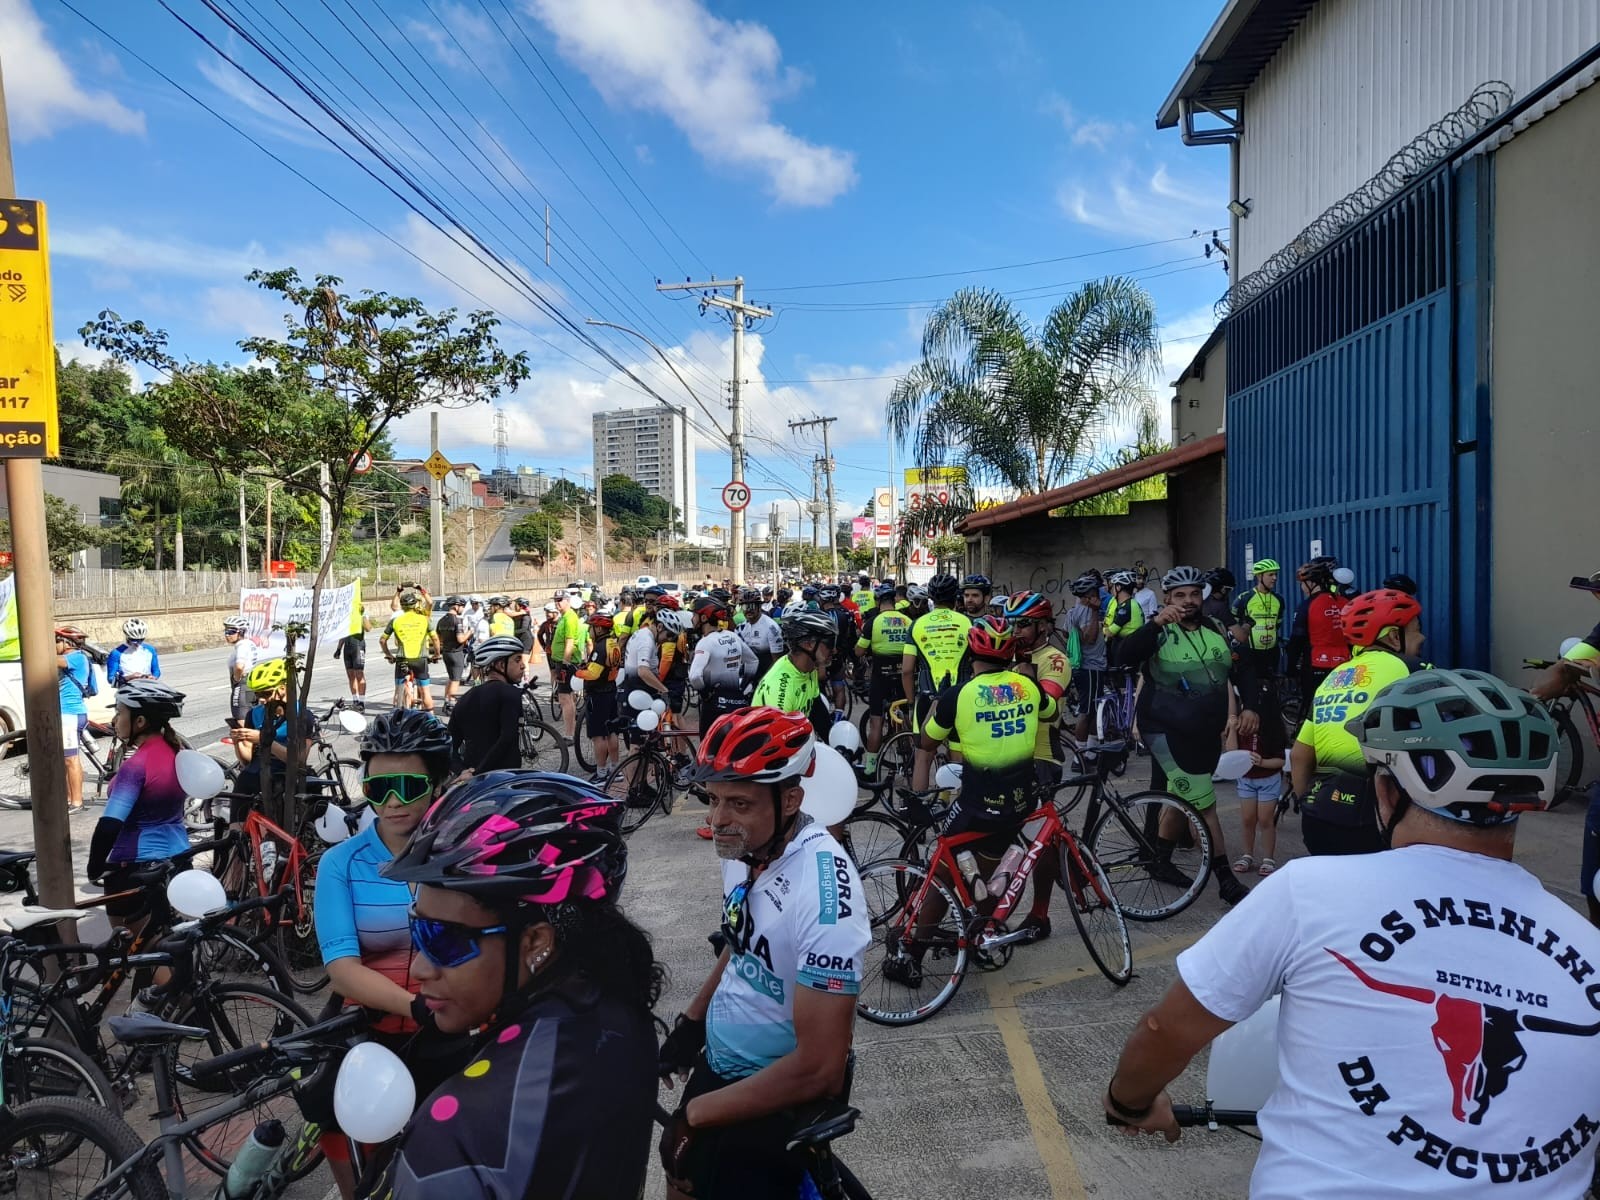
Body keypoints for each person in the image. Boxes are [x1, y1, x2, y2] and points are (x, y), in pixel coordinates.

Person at [1100, 670, 1594, 1200]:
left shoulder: (1308, 890)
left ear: (1385, 789)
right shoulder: (1586, 943)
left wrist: (1129, 1102)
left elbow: (1166, 1030)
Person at [372, 772, 661, 1200]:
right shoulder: (622, 1009)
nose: (419, 970)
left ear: (535, 942)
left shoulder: (452, 1136)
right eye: (419, 934)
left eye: (444, 940)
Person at [660, 708, 869, 1198]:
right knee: (681, 1174)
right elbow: (741, 940)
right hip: (722, 1066)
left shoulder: (824, 894)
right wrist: (692, 1023)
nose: (717, 820)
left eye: (738, 803)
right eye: (712, 800)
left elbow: (820, 1069)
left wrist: (694, 1114)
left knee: (692, 1168)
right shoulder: (746, 849)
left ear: (791, 799)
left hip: (775, 1089)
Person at [313, 708, 461, 1200]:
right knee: (347, 1140)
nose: (394, 802)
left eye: (410, 786)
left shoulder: (463, 853)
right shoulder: (341, 864)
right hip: (371, 1034)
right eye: (378, 790)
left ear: (438, 782)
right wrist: (416, 1006)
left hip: (456, 1031)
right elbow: (342, 971)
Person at [893, 619, 1055, 981]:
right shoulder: (1027, 688)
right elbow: (1050, 713)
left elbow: (928, 742)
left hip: (977, 804)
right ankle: (983, 928)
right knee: (992, 867)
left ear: (971, 653)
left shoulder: (958, 695)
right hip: (1019, 800)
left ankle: (913, 956)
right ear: (1010, 653)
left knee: (945, 869)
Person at [1118, 565, 1259, 907]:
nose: (1188, 601)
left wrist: (1250, 705)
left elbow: (1243, 667)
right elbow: (1121, 656)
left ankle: (1158, 858)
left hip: (1203, 730)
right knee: (1203, 801)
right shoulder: (1158, 631)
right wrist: (1154, 624)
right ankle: (1225, 879)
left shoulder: (1215, 627)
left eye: (1194, 594)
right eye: (1179, 595)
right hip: (1163, 730)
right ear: (1167, 598)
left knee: (1182, 799)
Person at [1291, 588, 1427, 857]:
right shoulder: (1410, 669)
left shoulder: (1332, 678)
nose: (1422, 637)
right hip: (1373, 819)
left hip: (1318, 816)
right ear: (1392, 636)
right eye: (1416, 629)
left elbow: (1299, 755)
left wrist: (1304, 800)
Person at [87, 680, 189, 933]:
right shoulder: (176, 753)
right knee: (170, 944)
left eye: (120, 712)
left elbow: (110, 824)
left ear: (140, 721)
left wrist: (95, 866)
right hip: (178, 858)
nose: (114, 719)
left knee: (142, 955)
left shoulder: (136, 766)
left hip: (137, 867)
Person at [1006, 591, 1072, 941]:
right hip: (1008, 756)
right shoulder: (1012, 657)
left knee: (1038, 842)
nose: (1017, 630)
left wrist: (1024, 674)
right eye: (1014, 623)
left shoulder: (1054, 659)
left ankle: (1040, 914)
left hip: (1041, 758)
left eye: (1025, 624)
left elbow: (1044, 702)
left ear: (1044, 625)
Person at [902, 574, 972, 790]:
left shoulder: (916, 625)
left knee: (923, 757)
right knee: (958, 758)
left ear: (931, 597)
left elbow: (906, 670)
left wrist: (911, 702)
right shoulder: (967, 622)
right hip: (960, 698)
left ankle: (919, 811)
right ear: (956, 598)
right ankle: (956, 810)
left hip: (927, 696)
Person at [1226, 689, 1286, 877]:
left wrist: (1263, 762)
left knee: (1266, 820)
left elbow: (1281, 761)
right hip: (1246, 779)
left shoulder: (1273, 729)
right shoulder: (1241, 727)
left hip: (1268, 780)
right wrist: (1233, 729)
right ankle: (1247, 855)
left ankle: (1268, 858)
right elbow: (1231, 753)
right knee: (1247, 819)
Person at [447, 637, 526, 775]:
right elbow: (507, 738)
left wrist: (463, 772)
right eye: (517, 660)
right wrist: (479, 771)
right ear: (501, 665)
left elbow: (448, 745)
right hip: (504, 779)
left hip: (473, 786)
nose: (523, 665)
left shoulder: (464, 699)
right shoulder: (511, 693)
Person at [857, 582, 913, 777]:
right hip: (904, 675)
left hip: (881, 676)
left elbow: (859, 651)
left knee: (876, 723)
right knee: (906, 717)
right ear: (894, 601)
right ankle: (910, 756)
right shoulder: (907, 620)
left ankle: (871, 767)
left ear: (878, 601)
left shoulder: (872, 622)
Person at [753, 612, 835, 739]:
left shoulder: (809, 668)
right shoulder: (781, 689)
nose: (834, 650)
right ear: (809, 645)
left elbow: (817, 711)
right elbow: (776, 744)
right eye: (830, 643)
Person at [1285, 559, 1350, 703]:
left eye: (1302, 583)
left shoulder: (1307, 605)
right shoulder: (1344, 602)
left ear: (1312, 582)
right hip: (1344, 663)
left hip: (1316, 664)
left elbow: (1297, 640)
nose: (1301, 587)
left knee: (1314, 707)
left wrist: (1291, 669)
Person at [575, 610, 623, 784]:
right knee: (612, 731)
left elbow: (593, 674)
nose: (589, 631)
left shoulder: (600, 647)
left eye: (592, 628)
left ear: (600, 629)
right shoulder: (613, 644)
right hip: (611, 690)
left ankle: (601, 773)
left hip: (598, 695)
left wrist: (578, 672)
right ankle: (615, 769)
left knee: (599, 735)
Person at [56, 627, 97, 814]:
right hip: (69, 714)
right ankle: (68, 798)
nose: (54, 645)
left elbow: (50, 660)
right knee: (68, 759)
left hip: (70, 714)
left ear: (67, 643)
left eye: (57, 641)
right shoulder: (76, 658)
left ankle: (77, 802)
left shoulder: (76, 657)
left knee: (70, 760)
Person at [1063, 573, 1106, 744]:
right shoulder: (1088, 611)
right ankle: (1080, 754)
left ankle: (1091, 752)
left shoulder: (1073, 611)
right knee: (1087, 711)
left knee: (1094, 710)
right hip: (1091, 667)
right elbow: (1090, 638)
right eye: (1096, 592)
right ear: (1089, 595)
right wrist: (1095, 612)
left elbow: (1066, 633)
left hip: (1083, 667)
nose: (1099, 595)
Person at [380, 591, 440, 712]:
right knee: (425, 691)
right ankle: (431, 719)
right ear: (415, 605)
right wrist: (436, 655)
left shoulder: (395, 620)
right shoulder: (424, 619)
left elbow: (382, 641)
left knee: (398, 689)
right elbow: (435, 638)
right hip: (420, 659)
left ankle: (396, 718)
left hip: (402, 658)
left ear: (402, 606)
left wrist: (389, 655)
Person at [1231, 558, 1285, 685]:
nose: (1275, 578)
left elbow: (1278, 624)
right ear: (1259, 576)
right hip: (1250, 653)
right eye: (1270, 574)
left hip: (1272, 652)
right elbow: (1233, 625)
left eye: (1276, 574)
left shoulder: (1279, 599)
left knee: (1271, 690)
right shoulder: (1244, 598)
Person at [549, 591, 585, 740]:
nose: (557, 603)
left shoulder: (570, 618)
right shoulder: (565, 617)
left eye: (560, 600)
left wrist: (564, 663)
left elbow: (570, 642)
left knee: (565, 699)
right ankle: (572, 730)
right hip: (561, 661)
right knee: (568, 697)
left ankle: (569, 734)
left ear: (568, 601)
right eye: (556, 600)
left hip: (566, 663)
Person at [736, 588, 784, 680]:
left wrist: (764, 680)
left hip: (767, 670)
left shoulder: (771, 628)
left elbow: (777, 661)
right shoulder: (740, 628)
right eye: (745, 607)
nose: (749, 610)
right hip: (747, 668)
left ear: (759, 607)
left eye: (752, 606)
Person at [435, 597, 472, 714]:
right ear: (456, 606)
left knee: (451, 678)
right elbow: (460, 639)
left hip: (446, 652)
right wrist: (470, 632)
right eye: (462, 606)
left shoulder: (441, 620)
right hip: (456, 653)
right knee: (456, 680)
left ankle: (446, 702)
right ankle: (451, 704)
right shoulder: (457, 621)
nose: (462, 609)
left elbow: (438, 638)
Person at [1102, 570, 1145, 660]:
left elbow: (1110, 632)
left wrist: (1101, 628)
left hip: (1128, 649)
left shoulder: (1127, 607)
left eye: (1113, 586)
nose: (1112, 589)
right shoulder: (1131, 603)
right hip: (1130, 646)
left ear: (1118, 587)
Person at [106, 617, 161, 686]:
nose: (137, 643)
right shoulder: (116, 653)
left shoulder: (150, 650)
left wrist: (153, 677)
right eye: (134, 640)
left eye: (141, 640)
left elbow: (156, 671)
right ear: (127, 637)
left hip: (148, 687)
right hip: (127, 690)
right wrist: (129, 678)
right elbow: (111, 679)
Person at [335, 607, 370, 712]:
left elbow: (368, 628)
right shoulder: (346, 613)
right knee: (350, 675)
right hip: (347, 647)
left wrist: (362, 615)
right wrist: (338, 649)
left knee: (359, 674)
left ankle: (361, 703)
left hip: (358, 645)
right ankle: (355, 700)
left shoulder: (362, 613)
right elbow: (343, 633)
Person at [222, 615, 256, 723]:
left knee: (241, 718)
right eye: (226, 631)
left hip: (242, 684)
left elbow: (240, 666)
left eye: (231, 632)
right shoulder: (249, 644)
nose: (227, 635)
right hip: (250, 683)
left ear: (241, 632)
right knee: (250, 716)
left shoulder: (242, 646)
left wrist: (236, 679)